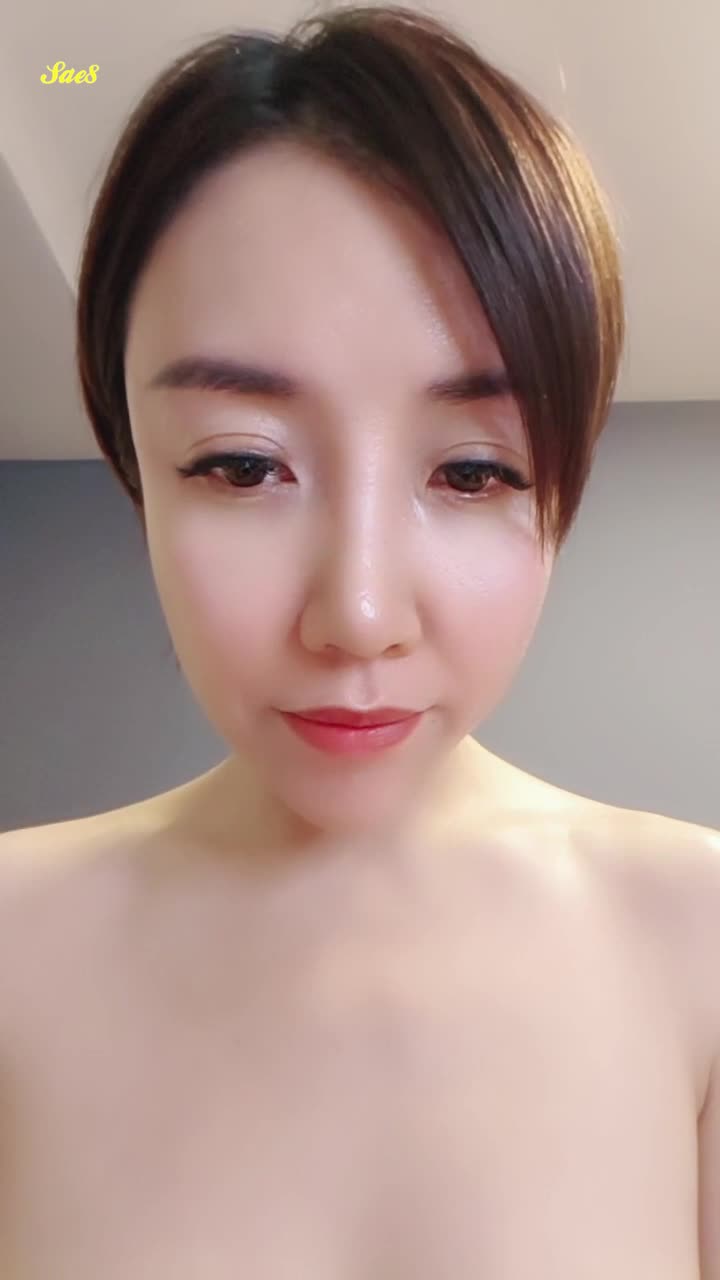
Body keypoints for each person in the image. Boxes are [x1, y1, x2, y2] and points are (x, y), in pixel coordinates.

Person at [1, 5, 719, 1276]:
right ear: (137, 470)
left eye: (474, 470)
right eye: (242, 464)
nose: (361, 614)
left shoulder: (700, 943)